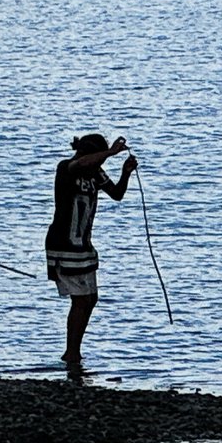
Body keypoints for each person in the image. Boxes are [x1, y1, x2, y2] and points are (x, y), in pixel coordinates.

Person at [46, 134, 135, 374]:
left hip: (84, 245)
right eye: (98, 157)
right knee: (81, 299)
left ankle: (75, 350)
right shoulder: (67, 168)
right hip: (64, 243)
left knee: (91, 298)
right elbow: (82, 164)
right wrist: (112, 153)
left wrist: (125, 173)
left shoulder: (95, 173)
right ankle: (71, 352)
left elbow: (116, 194)